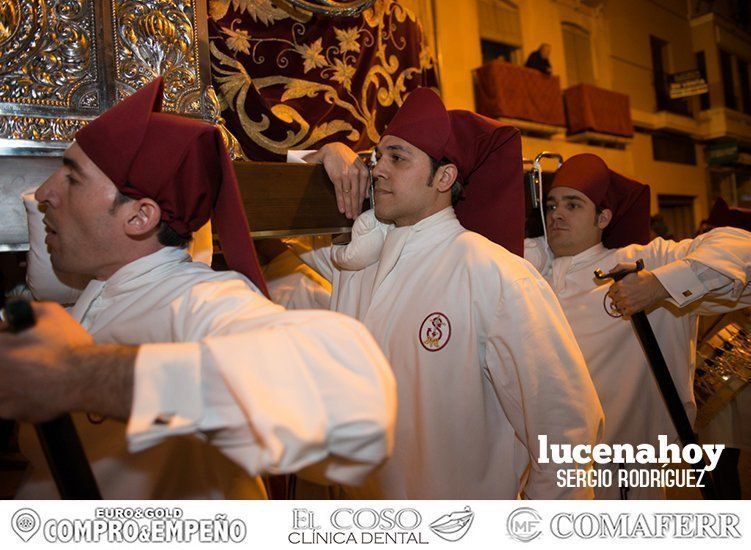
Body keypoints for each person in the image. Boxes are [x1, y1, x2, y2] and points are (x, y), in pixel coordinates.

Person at [0, 78, 396, 499]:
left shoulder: (195, 298)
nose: (43, 193)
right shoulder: (99, 290)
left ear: (139, 218)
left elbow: (349, 398)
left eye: (72, 178)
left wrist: (81, 375)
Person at [291, 88, 604, 499]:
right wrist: (323, 155)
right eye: (377, 157)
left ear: (444, 177)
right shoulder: (357, 262)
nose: (378, 170)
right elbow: (264, 230)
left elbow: (566, 431)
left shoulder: (496, 276)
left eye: (398, 158)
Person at [524, 154, 751, 499]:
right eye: (553, 205)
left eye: (573, 205)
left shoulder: (640, 260)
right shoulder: (532, 268)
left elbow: (742, 249)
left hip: (622, 476)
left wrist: (658, 285)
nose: (556, 214)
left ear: (603, 217)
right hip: (543, 471)